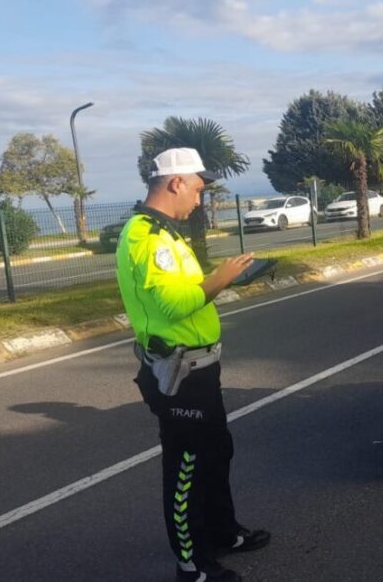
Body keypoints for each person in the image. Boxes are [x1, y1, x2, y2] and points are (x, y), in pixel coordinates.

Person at [116, 148, 270, 582]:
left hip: (202, 368)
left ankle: (222, 533)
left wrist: (224, 278)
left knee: (217, 452)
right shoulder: (146, 237)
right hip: (179, 373)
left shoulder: (166, 233)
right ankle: (192, 564)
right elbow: (175, 303)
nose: (200, 200)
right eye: (198, 190)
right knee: (187, 469)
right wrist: (223, 276)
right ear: (176, 182)